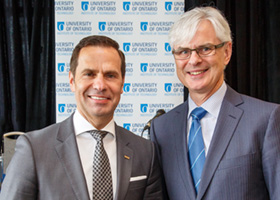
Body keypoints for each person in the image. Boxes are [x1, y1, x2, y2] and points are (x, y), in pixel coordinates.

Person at [150, 6, 280, 200]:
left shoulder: (268, 119)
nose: (194, 60)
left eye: (205, 49)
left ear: (227, 52)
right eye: (184, 51)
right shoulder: (162, 129)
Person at [0, 35, 164, 200]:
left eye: (110, 75)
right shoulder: (34, 149)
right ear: (72, 81)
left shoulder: (145, 152)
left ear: (122, 84)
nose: (100, 85)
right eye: (89, 74)